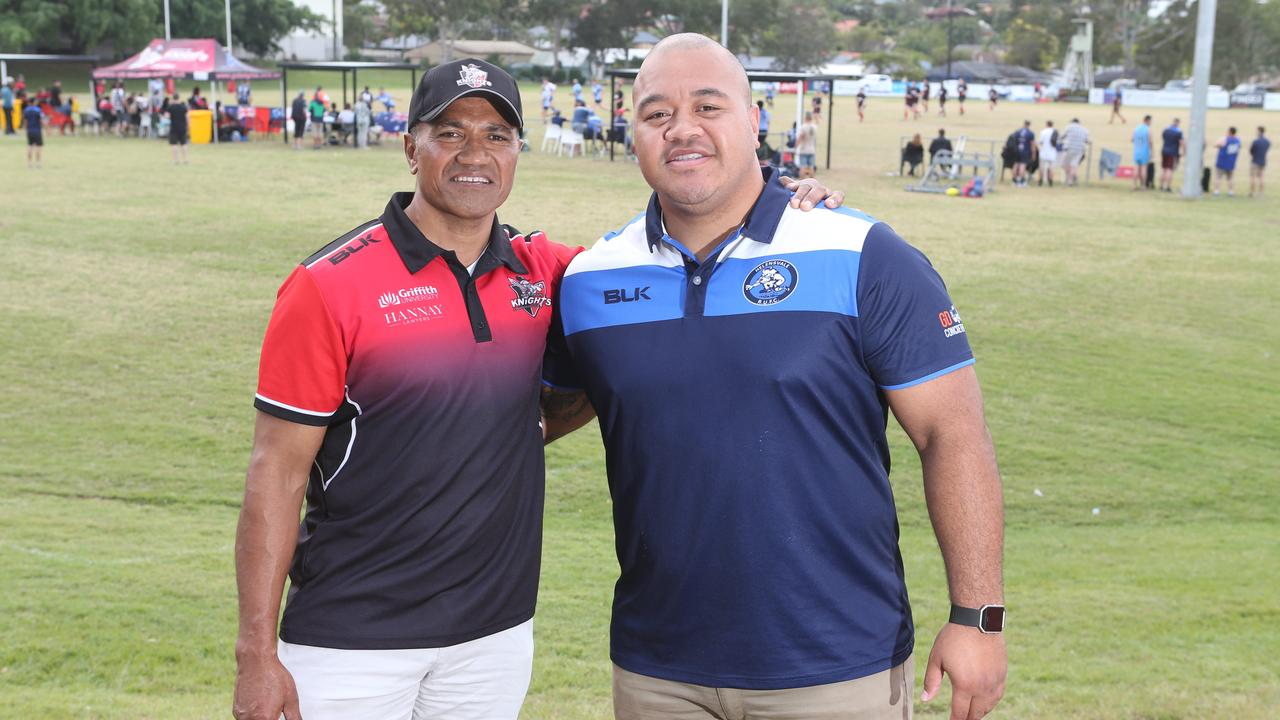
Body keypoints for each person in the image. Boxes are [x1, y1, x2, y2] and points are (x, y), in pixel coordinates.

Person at [230, 54, 844, 720]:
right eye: (451, 132)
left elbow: (647, 301)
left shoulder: (549, 273)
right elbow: (276, 476)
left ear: (518, 151)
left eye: (497, 135)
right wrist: (256, 656)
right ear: (411, 147)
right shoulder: (326, 285)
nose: (475, 153)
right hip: (349, 642)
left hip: (492, 639)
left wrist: (782, 198)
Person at [540, 33, 1006, 720]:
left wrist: (978, 617)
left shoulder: (861, 253)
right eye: (657, 113)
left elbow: (953, 434)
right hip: (656, 670)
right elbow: (544, 413)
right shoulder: (589, 281)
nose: (683, 130)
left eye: (708, 105)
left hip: (833, 666)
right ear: (632, 131)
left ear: (755, 120)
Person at [1060, 118, 1090, 187]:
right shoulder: (1084, 130)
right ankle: (1072, 179)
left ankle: (1070, 179)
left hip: (1068, 148)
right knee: (1074, 165)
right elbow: (1086, 140)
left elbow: (1062, 136)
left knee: (1064, 164)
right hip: (1079, 150)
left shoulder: (1069, 127)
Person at [1212, 126, 1242, 196]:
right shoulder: (1238, 140)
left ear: (1229, 132)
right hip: (1231, 162)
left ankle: (1216, 191)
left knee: (1218, 177)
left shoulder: (1225, 139)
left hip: (1222, 161)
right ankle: (1230, 191)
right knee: (1230, 178)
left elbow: (1216, 145)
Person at [1160, 118, 1185, 192]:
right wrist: (1184, 151)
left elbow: (1163, 138)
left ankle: (1161, 186)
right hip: (1173, 152)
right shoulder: (1178, 132)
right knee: (1170, 169)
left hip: (1164, 151)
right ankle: (1167, 187)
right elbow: (1181, 142)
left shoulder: (1166, 130)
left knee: (1164, 169)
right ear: (1178, 123)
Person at [166, 93, 189, 164]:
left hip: (174, 127)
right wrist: (188, 126)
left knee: (174, 144)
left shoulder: (170, 107)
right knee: (184, 144)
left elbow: (167, 116)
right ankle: (185, 160)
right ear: (179, 98)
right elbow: (187, 117)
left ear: (173, 98)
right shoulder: (183, 107)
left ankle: (176, 160)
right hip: (182, 127)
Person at [1012, 120, 1036, 187]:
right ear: (1029, 125)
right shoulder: (1030, 133)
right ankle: (1020, 181)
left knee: (1016, 164)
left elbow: (1014, 140)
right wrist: (1034, 154)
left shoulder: (1018, 132)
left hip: (1017, 151)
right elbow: (1032, 144)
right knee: (1022, 166)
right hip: (1025, 151)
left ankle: (1014, 180)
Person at [1132, 115, 1153, 190]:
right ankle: (1143, 186)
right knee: (1144, 169)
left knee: (1136, 168)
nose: (1151, 123)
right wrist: (1151, 151)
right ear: (1147, 120)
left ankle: (1134, 185)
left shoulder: (1136, 128)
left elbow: (1132, 139)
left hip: (1137, 151)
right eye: (1150, 121)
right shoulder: (1148, 129)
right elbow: (1150, 141)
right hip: (1144, 151)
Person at [21, 99, 43, 168]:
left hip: (29, 130)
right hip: (37, 130)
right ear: (34, 102)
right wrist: (47, 128)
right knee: (38, 147)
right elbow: (40, 120)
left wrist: (25, 129)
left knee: (29, 146)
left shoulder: (26, 110)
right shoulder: (38, 110)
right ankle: (38, 163)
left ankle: (29, 163)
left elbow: (25, 121)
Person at [1249, 126, 1269, 197]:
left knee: (1253, 177)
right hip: (1263, 161)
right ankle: (1261, 193)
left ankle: (1252, 192)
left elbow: (1251, 151)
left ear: (1259, 131)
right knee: (1262, 177)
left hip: (1255, 161)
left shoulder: (1256, 141)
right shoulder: (1267, 141)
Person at [1038, 120, 1059, 187]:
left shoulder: (1043, 131)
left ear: (1046, 124)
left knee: (1041, 167)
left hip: (1044, 151)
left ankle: (1040, 181)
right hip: (1052, 152)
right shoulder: (1055, 132)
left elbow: (1041, 142)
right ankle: (1050, 182)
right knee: (1051, 167)